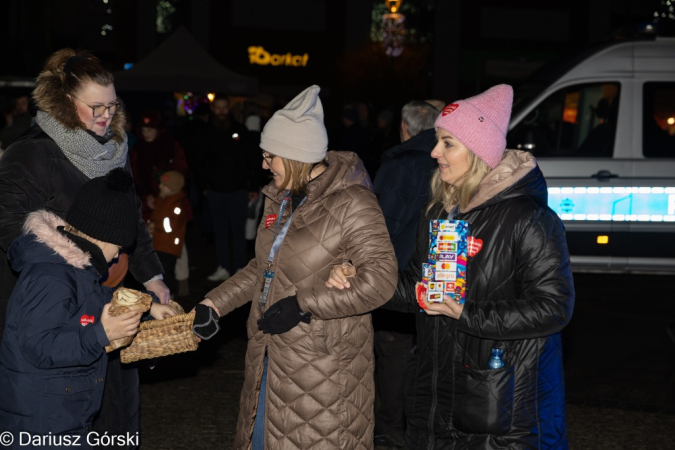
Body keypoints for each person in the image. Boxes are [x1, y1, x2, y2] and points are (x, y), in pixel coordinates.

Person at [327, 84, 575, 449]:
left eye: (447, 143)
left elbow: (554, 308)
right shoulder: (441, 212)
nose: (434, 152)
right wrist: (361, 280)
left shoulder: (530, 219)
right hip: (436, 398)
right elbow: (418, 286)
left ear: (477, 152)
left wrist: (466, 312)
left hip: (504, 407)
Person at [193, 85, 398, 449]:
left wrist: (302, 304)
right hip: (269, 356)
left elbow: (381, 280)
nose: (263, 165)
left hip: (323, 372)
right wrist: (213, 304)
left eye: (270, 156)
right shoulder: (282, 198)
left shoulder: (352, 201)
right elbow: (262, 268)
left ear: (296, 156)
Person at [0, 48, 170, 447]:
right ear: (63, 102)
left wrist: (154, 278)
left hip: (108, 295)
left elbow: (131, 223)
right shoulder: (32, 152)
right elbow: (7, 222)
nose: (106, 116)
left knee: (111, 409)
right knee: (62, 407)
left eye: (113, 106)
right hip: (57, 302)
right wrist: (71, 256)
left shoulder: (115, 150)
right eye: (95, 106)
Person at [0, 169, 174, 447]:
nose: (118, 255)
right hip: (40, 422)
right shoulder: (51, 276)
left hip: (64, 412)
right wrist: (101, 334)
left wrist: (148, 305)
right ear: (100, 237)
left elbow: (101, 299)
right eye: (117, 247)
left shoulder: (76, 268)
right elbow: (39, 346)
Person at [371, 100, 439, 449]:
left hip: (397, 270)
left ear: (404, 127)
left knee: (393, 350)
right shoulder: (444, 161)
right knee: (421, 350)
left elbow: (382, 222)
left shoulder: (400, 164)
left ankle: (391, 427)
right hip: (432, 271)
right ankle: (415, 424)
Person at [197, 94, 260, 282]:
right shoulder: (205, 132)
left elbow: (252, 160)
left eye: (225, 107)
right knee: (220, 232)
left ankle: (240, 268)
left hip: (238, 191)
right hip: (214, 192)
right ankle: (223, 267)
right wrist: (203, 187)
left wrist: (253, 186)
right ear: (213, 109)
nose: (221, 111)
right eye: (218, 108)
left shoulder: (240, 131)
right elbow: (199, 161)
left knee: (238, 232)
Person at [130, 109, 189, 222]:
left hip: (170, 198)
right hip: (147, 201)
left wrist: (168, 190)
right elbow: (135, 174)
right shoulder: (138, 149)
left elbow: (181, 170)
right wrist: (147, 195)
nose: (146, 134)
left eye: (150, 130)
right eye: (143, 130)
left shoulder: (170, 145)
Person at [147, 171, 189, 297]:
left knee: (166, 272)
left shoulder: (177, 205)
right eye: (160, 183)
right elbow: (158, 212)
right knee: (159, 270)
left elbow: (171, 226)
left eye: (164, 185)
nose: (160, 186)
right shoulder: (163, 199)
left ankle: (171, 294)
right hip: (159, 243)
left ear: (172, 188)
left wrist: (156, 225)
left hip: (168, 245)